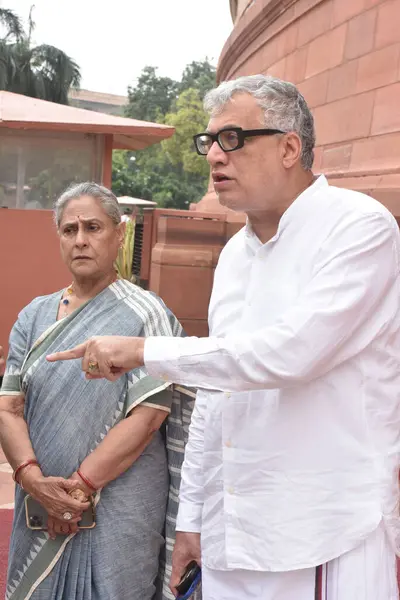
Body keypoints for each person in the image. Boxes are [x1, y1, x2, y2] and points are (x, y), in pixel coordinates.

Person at [47, 75, 400, 600]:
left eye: (232, 138)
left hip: (322, 525)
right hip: (232, 525)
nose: (214, 155)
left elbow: (291, 354)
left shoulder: (358, 228)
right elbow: (217, 391)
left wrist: (144, 351)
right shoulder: (236, 253)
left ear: (289, 147)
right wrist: (193, 517)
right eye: (209, 141)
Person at [0, 182, 186, 600]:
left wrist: (78, 491)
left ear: (119, 234)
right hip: (38, 507)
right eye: (69, 230)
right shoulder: (34, 316)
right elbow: (8, 407)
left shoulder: (148, 314)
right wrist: (35, 483)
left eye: (93, 227)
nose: (80, 240)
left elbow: (149, 415)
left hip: (119, 512)